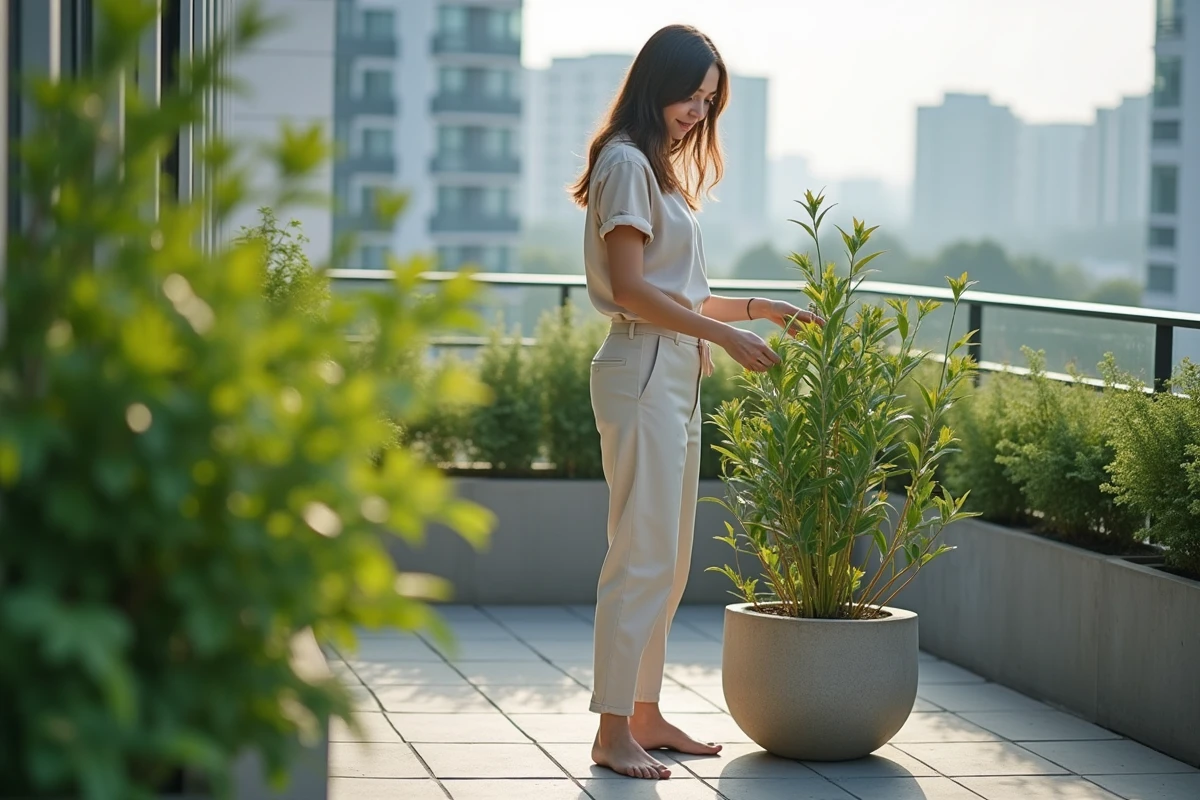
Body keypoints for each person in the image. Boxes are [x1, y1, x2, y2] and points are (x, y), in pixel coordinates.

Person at [570, 24, 823, 780]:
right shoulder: (623, 164)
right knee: (640, 557)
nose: (696, 111)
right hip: (643, 367)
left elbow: (684, 294)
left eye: (709, 102)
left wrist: (755, 311)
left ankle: (643, 715)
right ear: (657, 82)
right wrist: (730, 342)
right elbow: (633, 291)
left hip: (669, 370)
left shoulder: (655, 169)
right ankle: (611, 731)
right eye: (689, 94)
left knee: (669, 561)